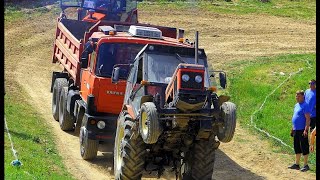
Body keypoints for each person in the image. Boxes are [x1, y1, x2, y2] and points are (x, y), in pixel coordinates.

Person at [288, 90, 311, 172]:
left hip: (302, 130)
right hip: (296, 129)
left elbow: (308, 119)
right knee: (296, 146)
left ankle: (306, 165)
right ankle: (297, 164)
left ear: (303, 96)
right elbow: (295, 117)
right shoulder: (296, 105)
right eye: (296, 96)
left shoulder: (305, 105)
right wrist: (292, 128)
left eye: (299, 96)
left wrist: (306, 129)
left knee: (304, 146)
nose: (297, 97)